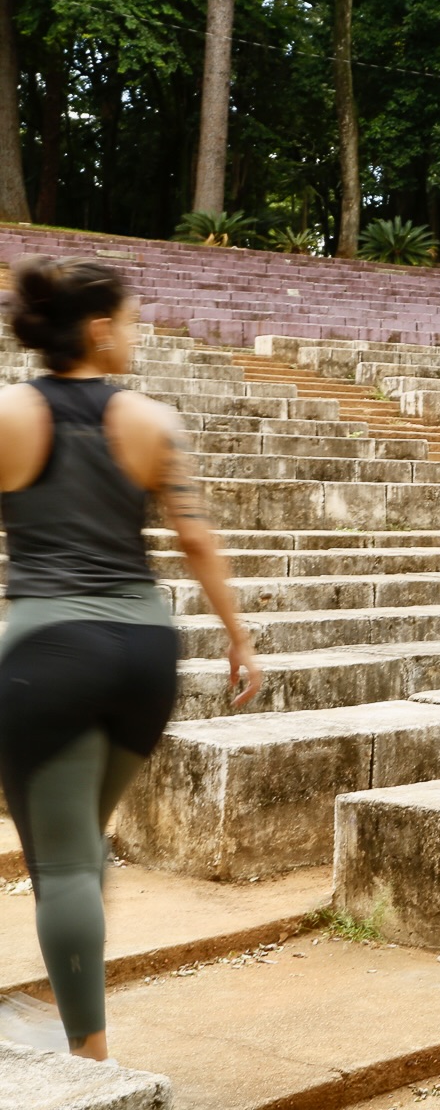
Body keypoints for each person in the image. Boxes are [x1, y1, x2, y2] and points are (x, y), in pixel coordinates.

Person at [0, 257, 261, 1062]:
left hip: (47, 653)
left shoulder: (9, 414)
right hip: (145, 655)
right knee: (82, 841)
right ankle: (69, 1012)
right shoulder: (153, 422)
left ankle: (88, 1057)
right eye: (132, 321)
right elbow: (196, 539)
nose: (137, 335)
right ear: (98, 329)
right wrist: (239, 635)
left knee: (64, 863)